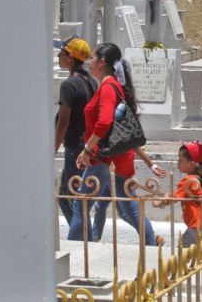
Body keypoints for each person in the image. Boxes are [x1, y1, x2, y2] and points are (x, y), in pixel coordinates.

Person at [68, 42, 160, 245]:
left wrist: (86, 149)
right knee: (128, 205)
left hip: (102, 157)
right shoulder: (111, 86)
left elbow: (104, 122)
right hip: (111, 157)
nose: (88, 62)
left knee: (81, 204)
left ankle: (72, 250)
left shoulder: (108, 87)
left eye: (91, 58)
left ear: (102, 62)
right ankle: (151, 243)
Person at [54, 36, 98, 225]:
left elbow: (64, 121)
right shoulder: (91, 81)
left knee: (72, 198)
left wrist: (52, 150)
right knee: (67, 195)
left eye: (62, 52)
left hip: (74, 148)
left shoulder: (69, 85)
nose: (58, 55)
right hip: (86, 145)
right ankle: (81, 233)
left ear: (70, 58)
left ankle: (81, 235)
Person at [153, 141, 202, 247]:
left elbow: (174, 198)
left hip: (196, 226)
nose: (178, 162)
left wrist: (159, 202)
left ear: (191, 164)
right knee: (196, 254)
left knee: (182, 253)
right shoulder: (198, 178)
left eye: (181, 160)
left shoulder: (188, 180)